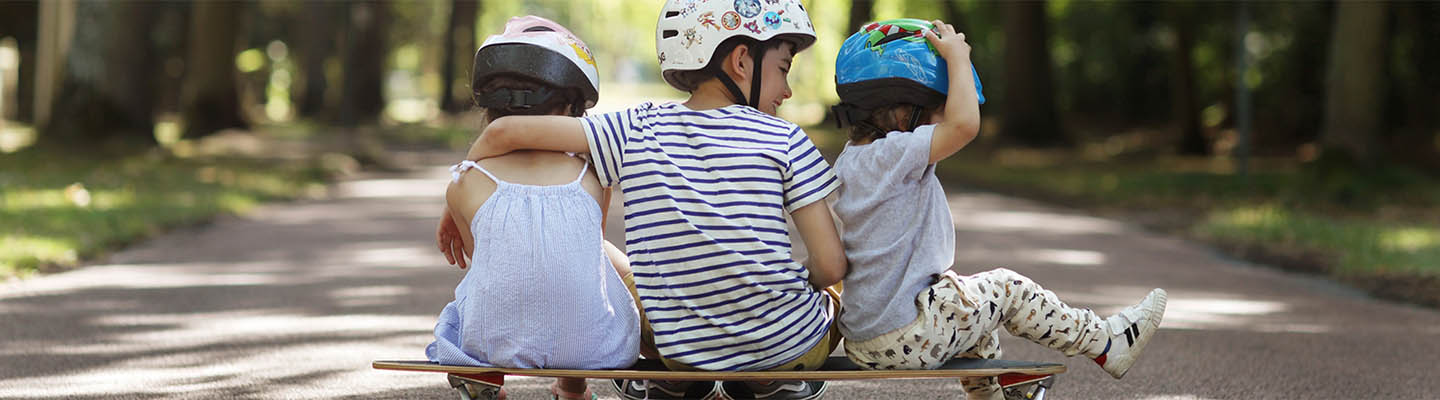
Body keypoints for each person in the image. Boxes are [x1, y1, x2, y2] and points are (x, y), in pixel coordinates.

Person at [454, 1, 847, 399]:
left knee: (606, 257)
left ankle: (667, 377)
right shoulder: (787, 139)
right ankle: (770, 377)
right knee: (835, 293)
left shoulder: (636, 126)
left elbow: (505, 133)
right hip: (791, 347)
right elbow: (831, 266)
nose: (788, 89)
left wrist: (460, 191)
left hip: (677, 350)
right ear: (742, 60)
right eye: (783, 68)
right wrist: (783, 281)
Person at [827, 19, 1168, 400]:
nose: (944, 118)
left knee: (971, 308)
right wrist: (957, 57)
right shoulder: (894, 154)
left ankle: (991, 395)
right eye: (939, 107)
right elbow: (965, 125)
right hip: (907, 334)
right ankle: (1105, 342)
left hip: (864, 339)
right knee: (1008, 290)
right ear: (902, 110)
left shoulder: (850, 161)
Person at [428, 15, 639, 400]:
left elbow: (495, 269)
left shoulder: (466, 183)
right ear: (571, 111)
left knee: (466, 305)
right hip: (598, 349)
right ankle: (573, 390)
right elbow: (586, 255)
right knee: (593, 272)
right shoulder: (593, 175)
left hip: (495, 345)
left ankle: (481, 378)